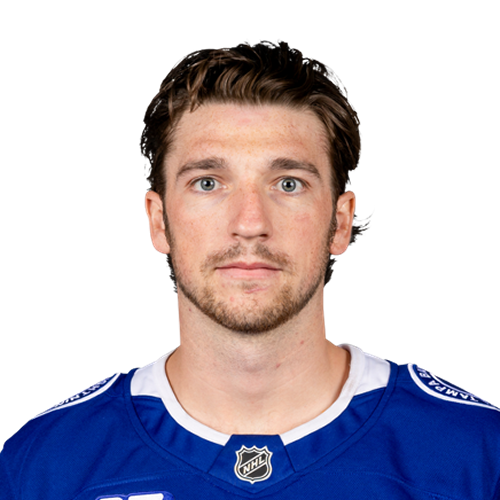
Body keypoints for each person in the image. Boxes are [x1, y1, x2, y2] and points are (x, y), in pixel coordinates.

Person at [1, 41, 499, 500]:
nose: (250, 223)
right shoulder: (44, 463)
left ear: (340, 222)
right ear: (158, 221)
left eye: (288, 183)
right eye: (208, 182)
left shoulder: (478, 453)